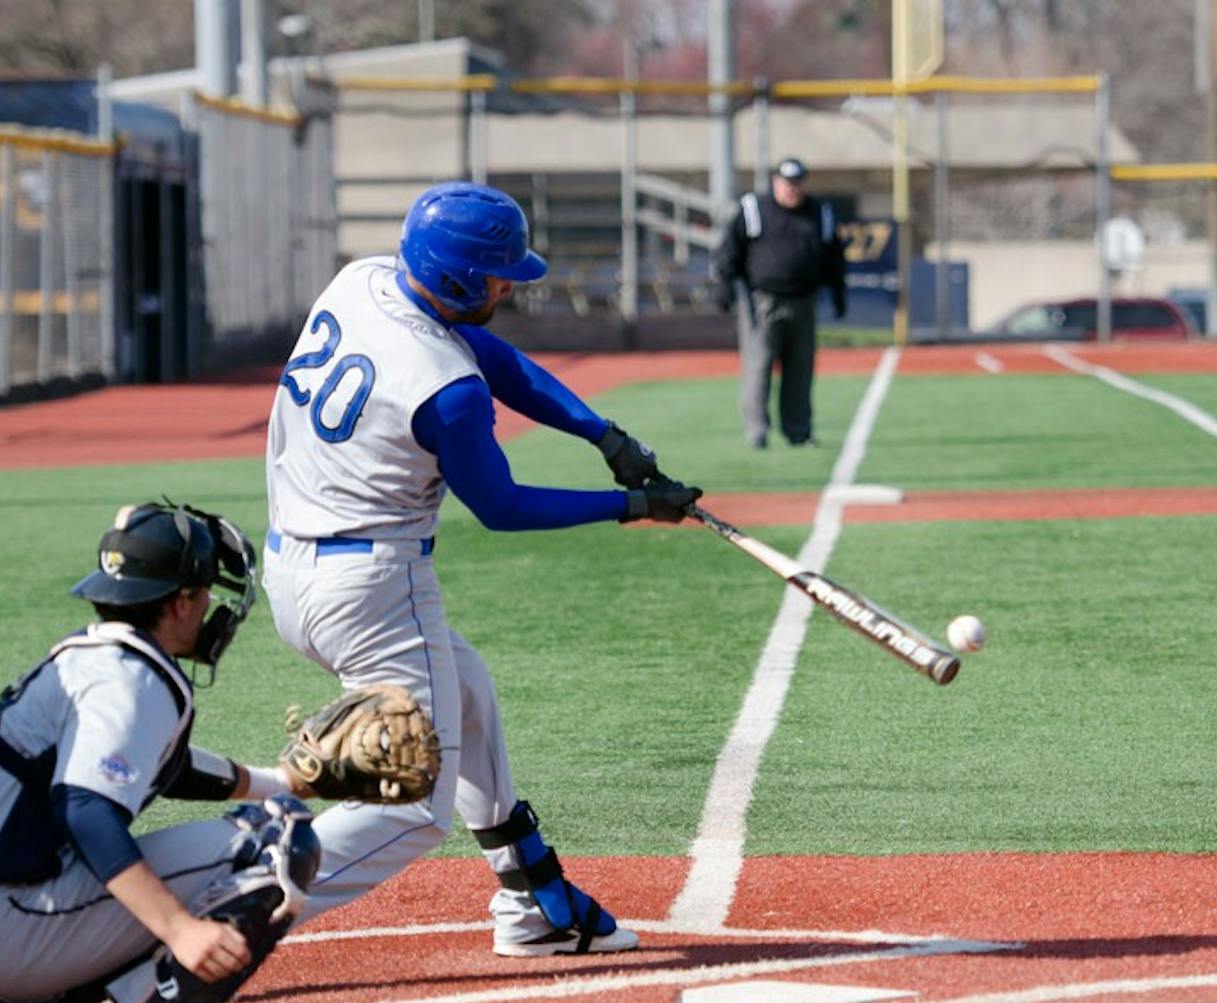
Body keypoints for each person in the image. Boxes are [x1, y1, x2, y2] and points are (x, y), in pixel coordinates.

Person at [263, 180, 702, 957]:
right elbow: (500, 506)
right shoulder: (448, 392)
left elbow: (488, 353)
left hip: (295, 570)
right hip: (372, 588)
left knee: (464, 691)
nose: (510, 286)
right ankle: (230, 908)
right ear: (462, 278)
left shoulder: (364, 278)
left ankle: (531, 898)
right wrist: (630, 508)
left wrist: (602, 435)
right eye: (500, 276)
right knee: (414, 806)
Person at [0, 502, 320, 1003]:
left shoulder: (94, 656)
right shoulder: (129, 678)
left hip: (12, 911)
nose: (210, 611)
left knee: (271, 812)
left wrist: (283, 780)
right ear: (179, 602)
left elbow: (170, 769)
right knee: (275, 841)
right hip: (12, 924)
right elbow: (86, 808)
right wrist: (180, 929)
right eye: (203, 596)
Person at [712, 156, 849, 449]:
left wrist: (838, 291)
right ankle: (757, 431)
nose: (792, 189)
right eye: (787, 183)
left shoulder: (819, 212)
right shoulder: (753, 209)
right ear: (776, 182)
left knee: (800, 369)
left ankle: (798, 431)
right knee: (758, 366)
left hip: (804, 300)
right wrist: (725, 287)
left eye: (797, 183)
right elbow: (728, 250)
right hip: (761, 301)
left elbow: (833, 255)